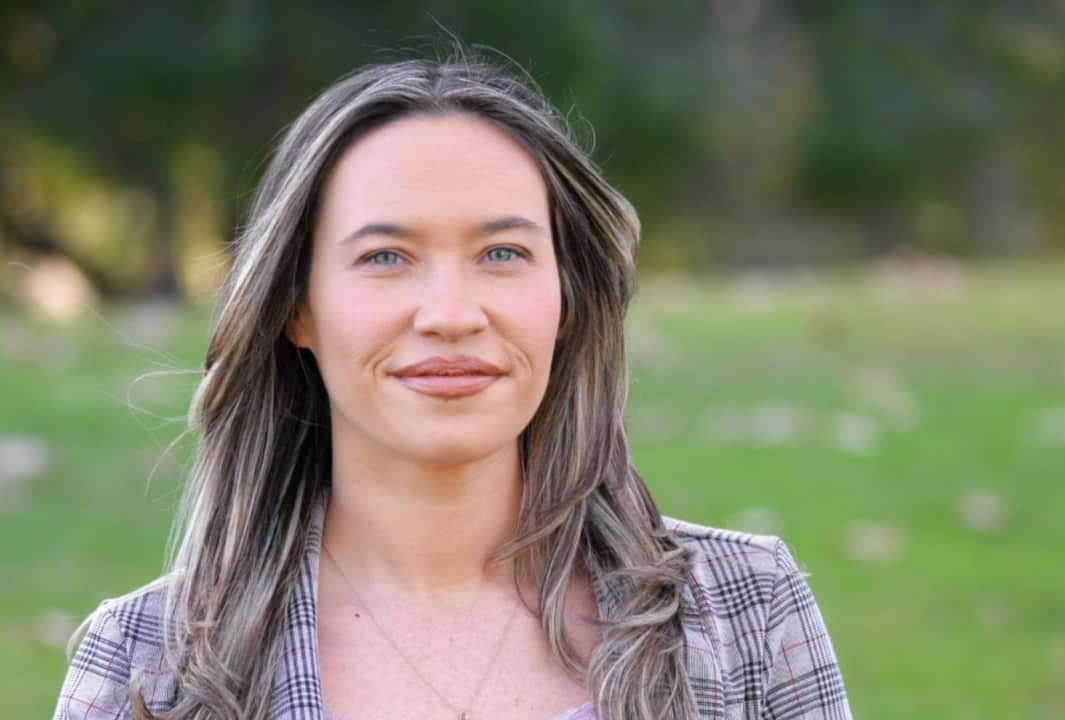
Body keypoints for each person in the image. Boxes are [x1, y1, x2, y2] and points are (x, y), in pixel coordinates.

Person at [52, 55, 852, 720]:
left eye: (502, 253)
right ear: (298, 309)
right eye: (384, 258)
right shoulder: (145, 665)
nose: (449, 314)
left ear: (567, 299)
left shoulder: (747, 611)